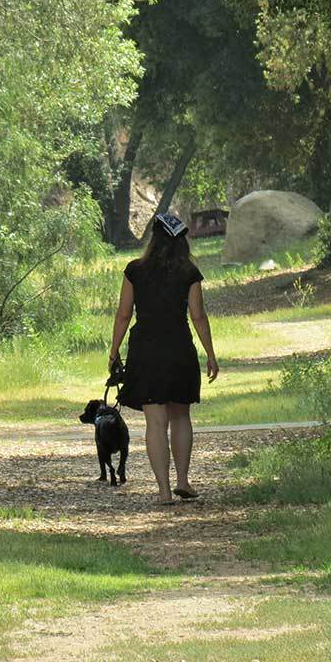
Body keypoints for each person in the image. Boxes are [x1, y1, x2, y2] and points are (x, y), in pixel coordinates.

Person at [109, 212, 219, 506]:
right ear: (181, 241)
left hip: (145, 350)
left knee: (155, 423)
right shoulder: (189, 272)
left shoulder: (135, 270)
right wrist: (210, 354)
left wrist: (114, 349)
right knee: (181, 416)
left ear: (153, 239)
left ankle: (164, 491)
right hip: (179, 348)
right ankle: (183, 481)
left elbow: (123, 314)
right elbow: (198, 316)